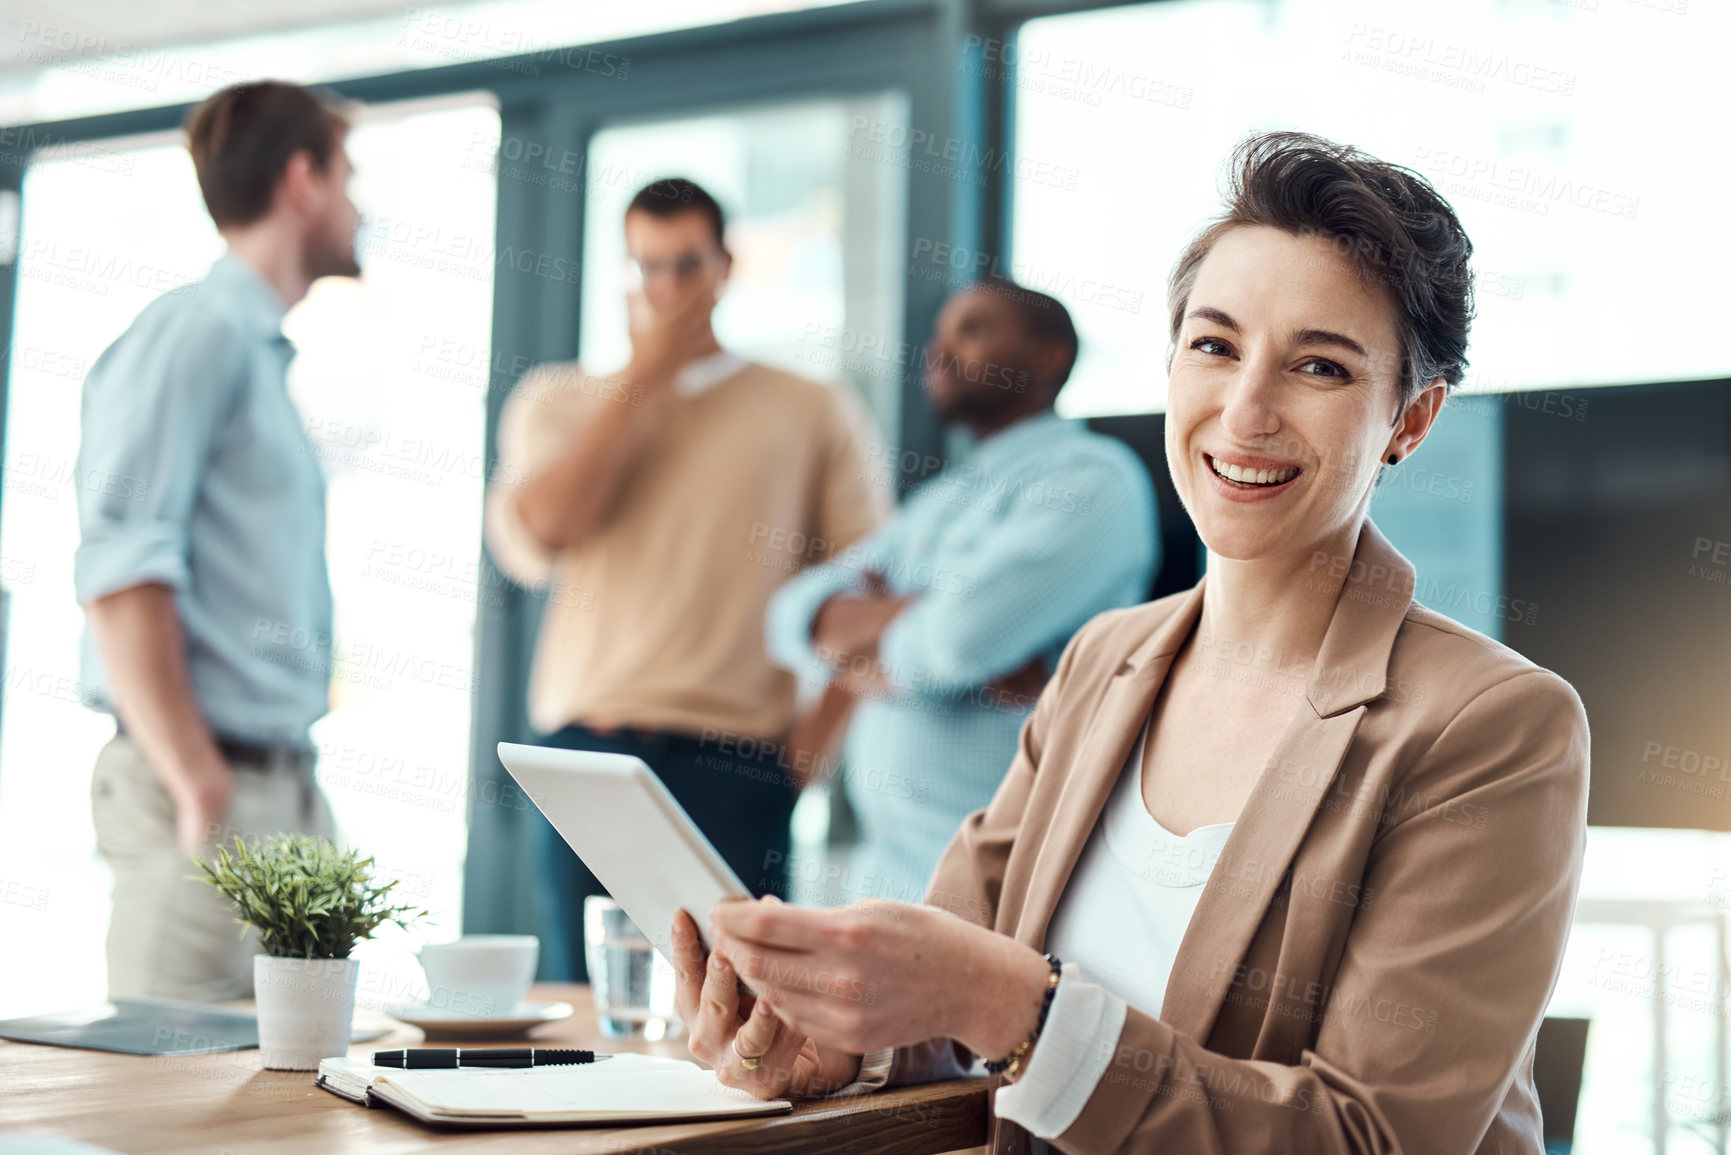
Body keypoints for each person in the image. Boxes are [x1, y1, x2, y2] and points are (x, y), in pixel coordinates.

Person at [668, 131, 1592, 1154]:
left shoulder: (1494, 727)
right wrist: (842, 1047)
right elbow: (946, 1005)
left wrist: (1020, 1005)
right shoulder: (1104, 663)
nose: (1245, 412)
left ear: (1409, 420)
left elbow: (1371, 1137)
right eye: (1214, 345)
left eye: (1319, 366)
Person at [483, 177, 889, 979]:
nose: (666, 290)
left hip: (738, 762)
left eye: (686, 266)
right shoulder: (559, 399)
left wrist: (802, 761)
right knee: (586, 1012)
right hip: (586, 753)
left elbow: (870, 592)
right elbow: (545, 531)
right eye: (647, 267)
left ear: (724, 265)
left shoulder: (810, 409)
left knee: (734, 1014)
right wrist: (646, 376)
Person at [75, 81, 360, 1001]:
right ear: (303, 180)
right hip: (205, 793)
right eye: (349, 176)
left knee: (279, 1120)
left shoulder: (257, 356)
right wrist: (200, 785)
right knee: (166, 1122)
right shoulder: (193, 334)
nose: (362, 207)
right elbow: (121, 571)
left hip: (278, 788)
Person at [764, 279, 1158, 903]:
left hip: (1003, 886)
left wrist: (864, 637)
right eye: (939, 335)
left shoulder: (1093, 481)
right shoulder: (942, 498)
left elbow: (949, 647)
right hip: (887, 874)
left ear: (1049, 356)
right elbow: (789, 620)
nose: (938, 352)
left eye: (971, 330)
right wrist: (921, 622)